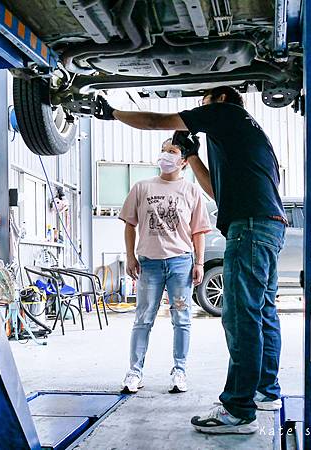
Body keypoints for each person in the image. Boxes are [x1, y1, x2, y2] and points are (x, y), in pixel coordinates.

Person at [94, 86, 286, 434]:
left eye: (204, 104)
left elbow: (156, 120)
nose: (200, 110)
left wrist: (113, 114)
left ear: (221, 100)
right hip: (268, 226)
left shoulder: (226, 113)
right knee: (262, 313)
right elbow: (217, 191)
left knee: (241, 316)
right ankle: (264, 392)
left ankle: (239, 411)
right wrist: (193, 155)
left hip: (250, 227)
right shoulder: (243, 132)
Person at [119, 137, 211, 395]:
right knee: (143, 319)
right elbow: (129, 224)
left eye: (172, 151)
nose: (165, 155)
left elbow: (198, 231)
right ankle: (134, 372)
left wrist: (199, 262)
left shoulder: (192, 191)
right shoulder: (142, 187)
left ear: (183, 160)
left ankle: (179, 370)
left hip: (181, 263)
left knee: (181, 318)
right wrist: (130, 256)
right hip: (149, 264)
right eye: (163, 150)